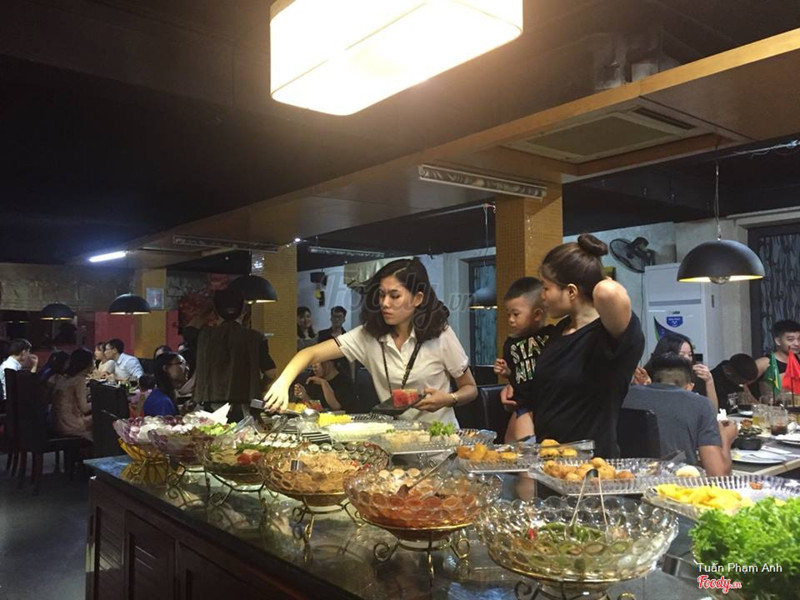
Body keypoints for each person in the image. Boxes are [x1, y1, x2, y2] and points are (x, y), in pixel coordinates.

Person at [264, 258, 477, 426]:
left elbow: (470, 388)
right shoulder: (368, 336)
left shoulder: (441, 335)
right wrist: (282, 383)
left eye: (395, 296)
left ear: (417, 299)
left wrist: (449, 398)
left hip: (441, 445)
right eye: (381, 295)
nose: (385, 303)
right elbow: (310, 353)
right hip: (397, 442)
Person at [531, 234, 645, 457]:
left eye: (545, 288)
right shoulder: (560, 330)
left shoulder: (608, 337)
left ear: (571, 292)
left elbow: (608, 291)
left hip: (592, 466)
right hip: (549, 461)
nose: (541, 296)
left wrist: (594, 271)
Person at [623, 353, 737, 475]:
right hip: (679, 483)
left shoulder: (626, 395)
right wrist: (726, 437)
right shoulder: (701, 404)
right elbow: (717, 474)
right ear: (689, 386)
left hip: (625, 479)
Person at [194, 288, 278, 421]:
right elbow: (271, 373)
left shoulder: (204, 337)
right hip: (244, 409)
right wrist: (259, 387)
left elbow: (191, 327)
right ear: (242, 309)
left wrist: (209, 309)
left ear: (216, 310)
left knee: (209, 434)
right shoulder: (255, 337)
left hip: (209, 409)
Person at [493, 277, 553, 442]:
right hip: (524, 404)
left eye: (516, 314)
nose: (511, 320)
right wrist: (506, 372)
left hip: (547, 401)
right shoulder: (510, 344)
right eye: (508, 314)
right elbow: (515, 375)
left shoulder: (551, 336)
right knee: (522, 446)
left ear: (537, 314)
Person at [639, 332, 719, 410]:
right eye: (681, 355)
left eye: (690, 355)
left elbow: (712, 412)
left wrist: (709, 382)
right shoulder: (648, 378)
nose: (687, 359)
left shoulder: (696, 376)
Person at [51, 348, 93, 440]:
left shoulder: (62, 378)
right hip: (72, 425)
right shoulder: (79, 379)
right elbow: (84, 408)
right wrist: (99, 402)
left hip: (57, 423)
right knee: (104, 420)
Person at [293, 360, 358, 412]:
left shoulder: (344, 381)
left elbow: (336, 407)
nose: (314, 366)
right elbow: (316, 408)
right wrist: (304, 395)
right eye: (313, 363)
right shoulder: (312, 378)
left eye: (317, 362)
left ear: (330, 362)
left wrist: (324, 383)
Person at [756, 319, 800, 394]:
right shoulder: (765, 362)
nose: (797, 343)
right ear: (778, 341)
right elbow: (741, 382)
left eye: (799, 339)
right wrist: (753, 400)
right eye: (790, 339)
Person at [143, 352, 188, 417]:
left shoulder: (160, 395)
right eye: (181, 363)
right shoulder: (162, 402)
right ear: (166, 368)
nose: (187, 368)